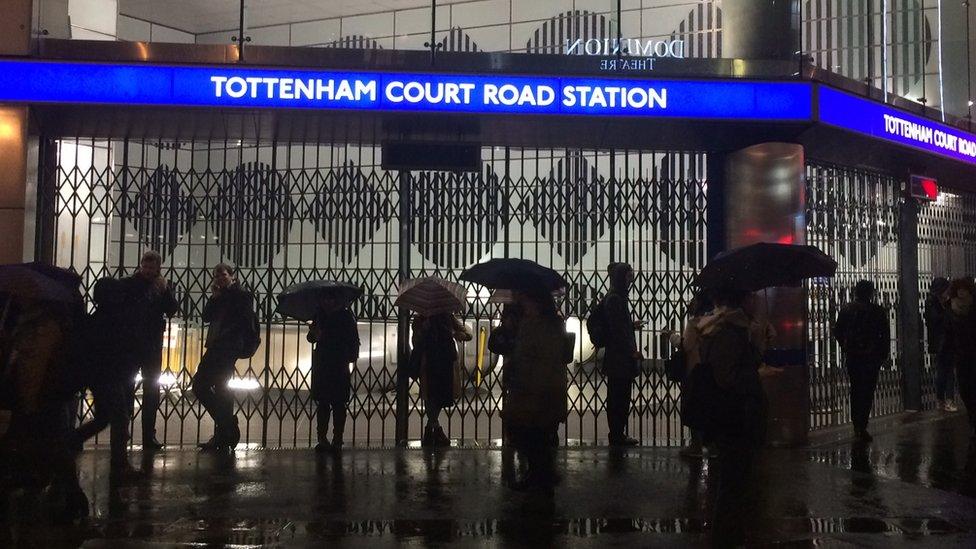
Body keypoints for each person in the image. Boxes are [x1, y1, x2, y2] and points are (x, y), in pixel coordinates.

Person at [692, 286, 767, 548]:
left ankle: (729, 535)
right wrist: (756, 368)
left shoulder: (736, 331)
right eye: (753, 296)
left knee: (736, 480)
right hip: (734, 414)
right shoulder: (729, 333)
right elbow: (728, 376)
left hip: (734, 413)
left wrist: (757, 344)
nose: (757, 301)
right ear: (743, 300)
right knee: (733, 481)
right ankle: (726, 538)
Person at [502, 285, 573, 494]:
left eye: (526, 300)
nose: (523, 304)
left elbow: (543, 356)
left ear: (538, 302)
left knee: (532, 431)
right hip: (533, 385)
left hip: (540, 387)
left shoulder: (546, 325)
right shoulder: (530, 322)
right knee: (530, 432)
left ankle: (542, 475)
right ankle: (540, 473)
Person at [73, 278, 139, 475]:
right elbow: (119, 349)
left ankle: (72, 440)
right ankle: (120, 464)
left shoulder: (95, 319)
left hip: (99, 375)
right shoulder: (113, 320)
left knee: (104, 418)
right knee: (120, 418)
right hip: (110, 376)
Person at [193, 264, 254, 452]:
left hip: (228, 347)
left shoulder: (241, 294)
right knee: (203, 386)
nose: (219, 278)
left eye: (223, 274)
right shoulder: (219, 295)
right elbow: (206, 317)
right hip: (216, 345)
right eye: (216, 275)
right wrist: (215, 297)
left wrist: (224, 295)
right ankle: (227, 426)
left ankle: (224, 432)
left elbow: (241, 319)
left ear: (232, 276)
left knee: (217, 386)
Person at [124, 250, 178, 450]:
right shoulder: (130, 284)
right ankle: (123, 432)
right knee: (128, 388)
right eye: (145, 266)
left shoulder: (161, 286)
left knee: (151, 391)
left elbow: (172, 309)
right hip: (132, 344)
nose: (147, 270)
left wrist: (165, 290)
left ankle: (149, 435)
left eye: (151, 267)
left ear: (158, 269)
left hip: (152, 345)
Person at [834, 280, 890, 443]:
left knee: (856, 389)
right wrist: (883, 354)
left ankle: (856, 424)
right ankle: (862, 424)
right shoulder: (877, 311)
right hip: (871, 356)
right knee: (867, 391)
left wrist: (846, 346)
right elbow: (884, 334)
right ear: (871, 293)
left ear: (855, 292)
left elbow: (837, 330)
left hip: (854, 356)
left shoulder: (847, 309)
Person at [307, 293, 360, 452]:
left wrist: (350, 356)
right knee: (323, 403)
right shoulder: (319, 315)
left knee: (338, 403)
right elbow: (311, 338)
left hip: (338, 361)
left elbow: (352, 338)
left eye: (329, 298)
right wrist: (314, 333)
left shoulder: (345, 316)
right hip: (323, 362)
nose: (326, 301)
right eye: (324, 298)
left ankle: (338, 438)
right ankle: (322, 438)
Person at [412, 312, 472, 447]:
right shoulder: (420, 319)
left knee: (440, 397)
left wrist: (458, 334)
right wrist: (423, 330)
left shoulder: (447, 316)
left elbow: (467, 333)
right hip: (429, 362)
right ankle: (435, 430)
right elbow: (415, 341)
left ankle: (431, 430)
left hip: (446, 361)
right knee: (430, 396)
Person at [601, 262, 644, 446]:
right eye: (627, 276)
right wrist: (632, 351)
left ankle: (618, 432)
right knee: (619, 397)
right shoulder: (616, 299)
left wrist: (631, 324)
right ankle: (617, 434)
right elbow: (618, 331)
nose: (631, 279)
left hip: (617, 358)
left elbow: (619, 326)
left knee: (618, 395)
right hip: (619, 358)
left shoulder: (617, 297)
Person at [674, 292, 713, 458]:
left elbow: (686, 345)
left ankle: (696, 444)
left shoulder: (694, 323)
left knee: (693, 405)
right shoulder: (715, 320)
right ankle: (712, 445)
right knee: (709, 405)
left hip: (694, 369)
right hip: (711, 368)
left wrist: (672, 337)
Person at [945, 277, 976, 438]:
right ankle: (972, 416)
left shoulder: (973, 307)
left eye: (965, 289)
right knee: (964, 388)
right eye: (959, 289)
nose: (962, 292)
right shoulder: (951, 308)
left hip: (972, 352)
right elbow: (948, 332)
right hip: (961, 354)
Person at [925, 277, 957, 412]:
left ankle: (944, 400)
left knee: (947, 371)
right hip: (940, 341)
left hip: (949, 340)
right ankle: (944, 400)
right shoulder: (932, 302)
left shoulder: (947, 302)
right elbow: (933, 320)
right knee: (945, 371)